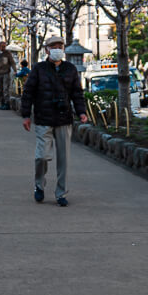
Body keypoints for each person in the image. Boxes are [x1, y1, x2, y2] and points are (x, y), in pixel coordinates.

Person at [20, 36, 88, 206]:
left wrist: (81, 112)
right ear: (47, 50)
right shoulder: (38, 69)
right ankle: (39, 185)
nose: (57, 48)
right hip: (44, 119)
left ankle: (61, 193)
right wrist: (26, 115)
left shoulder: (70, 69)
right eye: (53, 46)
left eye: (60, 45)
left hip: (64, 119)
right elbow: (28, 92)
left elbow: (77, 93)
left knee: (64, 159)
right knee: (41, 157)